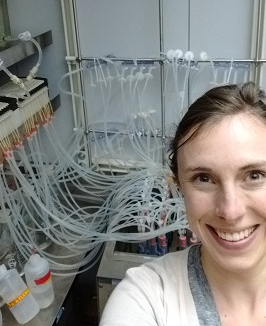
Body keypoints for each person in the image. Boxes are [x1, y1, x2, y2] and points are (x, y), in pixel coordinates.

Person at [99, 81, 266, 326]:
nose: (230, 212)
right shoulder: (147, 298)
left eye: (254, 175)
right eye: (204, 178)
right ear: (178, 188)